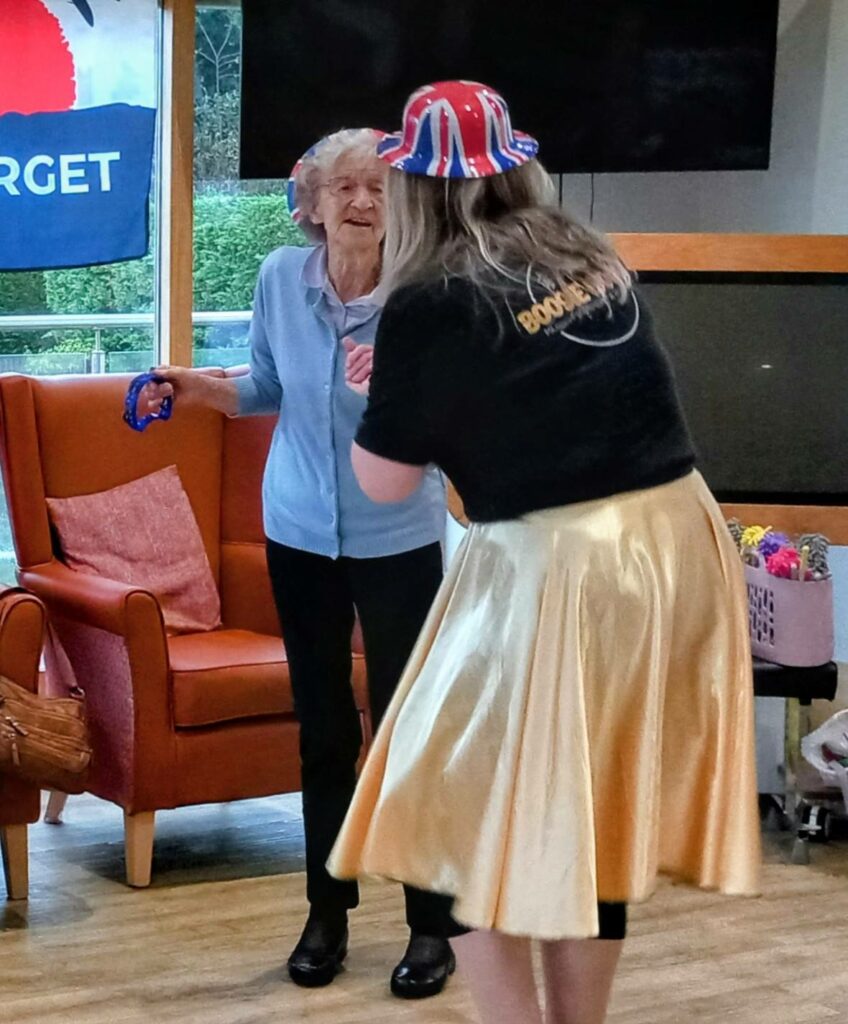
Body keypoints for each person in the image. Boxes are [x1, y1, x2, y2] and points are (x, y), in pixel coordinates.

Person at [327, 82, 762, 1024]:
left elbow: (383, 484)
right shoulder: (590, 254)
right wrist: (425, 395)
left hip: (563, 562)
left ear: (414, 188)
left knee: (445, 804)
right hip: (678, 538)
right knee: (582, 808)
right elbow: (551, 390)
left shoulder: (431, 300)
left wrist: (389, 398)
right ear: (518, 165)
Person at [146, 128, 456, 998]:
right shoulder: (282, 277)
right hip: (298, 534)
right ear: (314, 203)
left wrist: (387, 391)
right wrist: (191, 383)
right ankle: (327, 911)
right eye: (346, 187)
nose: (362, 203)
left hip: (396, 535)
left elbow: (447, 420)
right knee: (321, 728)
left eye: (379, 189)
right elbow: (265, 388)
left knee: (406, 728)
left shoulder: (426, 294)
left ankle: (432, 925)